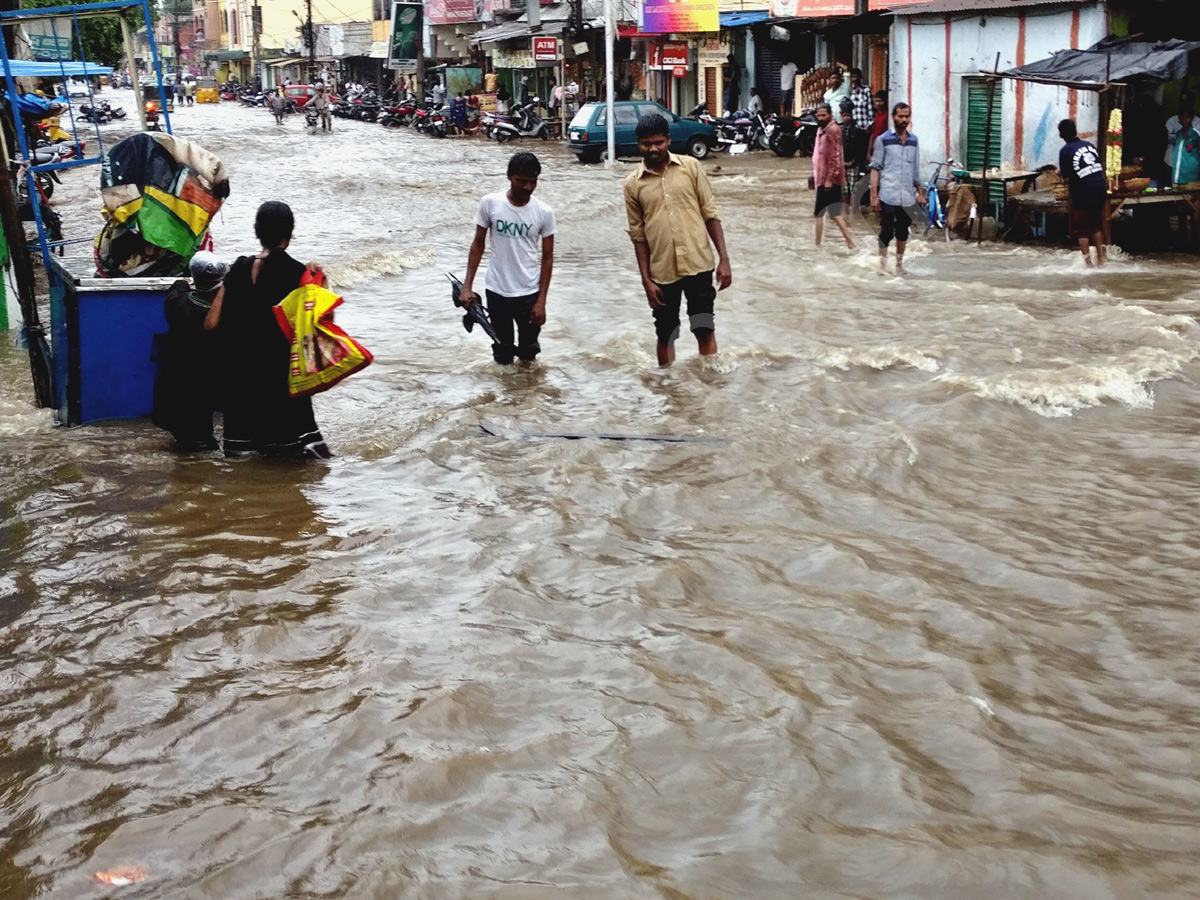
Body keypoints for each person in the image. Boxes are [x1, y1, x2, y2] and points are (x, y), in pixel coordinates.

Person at [217, 201, 332, 457]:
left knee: (243, 463)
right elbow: (319, 327)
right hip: (279, 377)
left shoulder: (237, 268)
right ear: (289, 235)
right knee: (295, 461)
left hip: (241, 379)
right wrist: (319, 283)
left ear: (257, 232)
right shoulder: (297, 273)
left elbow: (215, 322)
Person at [624, 113, 732, 367]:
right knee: (666, 333)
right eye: (646, 144)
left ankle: (708, 386)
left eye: (658, 142)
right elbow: (638, 235)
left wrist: (724, 260)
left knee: (704, 328)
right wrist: (646, 280)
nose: (653, 149)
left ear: (669, 140)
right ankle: (669, 392)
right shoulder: (632, 185)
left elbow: (710, 213)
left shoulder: (691, 167)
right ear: (638, 144)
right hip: (662, 273)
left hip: (699, 264)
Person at [460, 152, 556, 368]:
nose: (527, 187)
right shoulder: (490, 203)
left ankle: (528, 398)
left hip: (529, 292)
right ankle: (505, 399)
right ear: (509, 176)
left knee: (528, 353)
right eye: (521, 181)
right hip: (497, 291)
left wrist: (542, 301)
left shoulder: (544, 212)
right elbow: (478, 244)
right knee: (502, 353)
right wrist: (467, 287)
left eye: (533, 182)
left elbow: (548, 258)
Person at [151, 251, 229, 451]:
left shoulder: (178, 303)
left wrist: (184, 282)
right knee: (201, 454)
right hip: (193, 405)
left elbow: (177, 288)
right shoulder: (210, 323)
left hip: (168, 398)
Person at [869, 102, 925, 272]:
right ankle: (883, 265)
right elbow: (875, 168)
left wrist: (920, 193)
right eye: (900, 116)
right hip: (888, 194)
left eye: (907, 116)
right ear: (894, 117)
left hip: (907, 195)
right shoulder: (883, 140)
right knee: (886, 231)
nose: (904, 119)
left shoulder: (913, 141)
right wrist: (874, 196)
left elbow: (915, 169)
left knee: (903, 232)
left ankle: (899, 266)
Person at [1057, 118, 1107, 267]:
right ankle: (1101, 260)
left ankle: (1088, 264)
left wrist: (1059, 172)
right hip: (1100, 187)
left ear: (1061, 135)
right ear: (1075, 131)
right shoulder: (1089, 145)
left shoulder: (1065, 151)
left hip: (1083, 191)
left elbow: (1066, 175)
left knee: (1082, 230)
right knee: (1096, 226)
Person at [813, 104, 856, 250]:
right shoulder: (823, 130)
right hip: (823, 177)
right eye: (818, 115)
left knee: (822, 213)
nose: (821, 118)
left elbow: (835, 156)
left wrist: (829, 179)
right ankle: (849, 243)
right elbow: (819, 156)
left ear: (830, 115)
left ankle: (818, 245)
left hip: (829, 179)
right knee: (832, 214)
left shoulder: (832, 130)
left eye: (823, 115)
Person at [840, 99, 867, 216]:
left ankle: (853, 211)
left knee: (854, 187)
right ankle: (845, 211)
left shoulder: (857, 130)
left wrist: (852, 162)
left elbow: (861, 150)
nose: (846, 118)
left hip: (853, 164)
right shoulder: (839, 130)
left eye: (848, 115)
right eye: (844, 115)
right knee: (844, 189)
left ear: (852, 115)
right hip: (841, 164)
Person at [1165, 93, 1197, 172]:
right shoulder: (1171, 121)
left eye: (1187, 101)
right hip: (1171, 161)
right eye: (1182, 101)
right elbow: (1166, 140)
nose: (1184, 103)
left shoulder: (1198, 122)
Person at [1170, 109, 1200, 186]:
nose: (1185, 120)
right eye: (1182, 118)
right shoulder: (1178, 134)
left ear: (1192, 119)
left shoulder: (1195, 135)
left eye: (1187, 117)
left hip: (1191, 179)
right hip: (1176, 177)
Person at [848, 68, 872, 132]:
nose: (855, 79)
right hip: (854, 128)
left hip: (865, 127)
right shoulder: (851, 92)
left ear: (860, 77)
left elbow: (870, 109)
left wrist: (870, 124)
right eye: (853, 77)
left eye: (856, 77)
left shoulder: (866, 90)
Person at [866, 89, 888, 162]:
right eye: (876, 101)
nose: (878, 104)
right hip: (875, 149)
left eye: (881, 101)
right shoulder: (876, 116)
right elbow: (873, 134)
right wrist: (869, 152)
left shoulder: (887, 116)